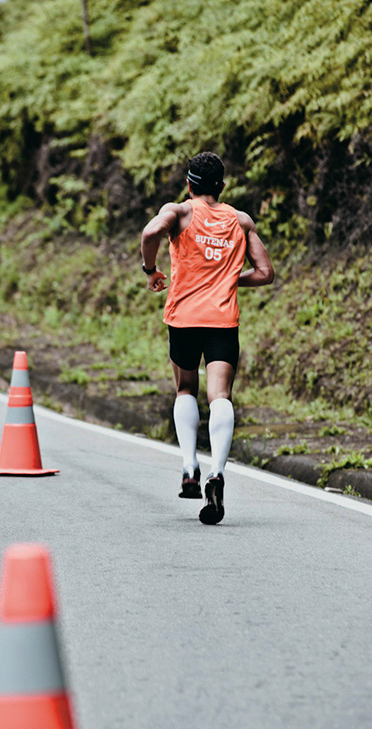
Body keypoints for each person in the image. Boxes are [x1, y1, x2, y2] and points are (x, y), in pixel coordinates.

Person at [140, 151, 274, 524]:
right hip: (222, 320)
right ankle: (217, 472)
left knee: (186, 390)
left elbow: (151, 232)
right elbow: (265, 272)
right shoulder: (240, 220)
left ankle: (189, 468)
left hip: (183, 318)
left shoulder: (180, 212)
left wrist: (150, 270)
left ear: (188, 185)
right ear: (223, 186)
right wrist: (229, 280)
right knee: (220, 396)